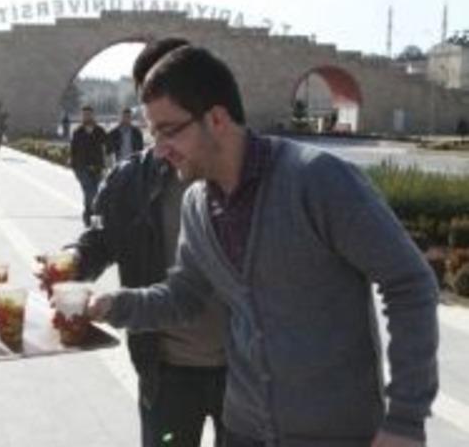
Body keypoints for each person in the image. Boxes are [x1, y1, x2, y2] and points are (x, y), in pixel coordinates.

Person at [88, 45, 438, 447]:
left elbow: (410, 283)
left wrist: (406, 421)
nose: (159, 148)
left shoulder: (317, 181)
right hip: (243, 430)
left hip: (336, 433)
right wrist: (115, 305)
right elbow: (185, 296)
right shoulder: (197, 204)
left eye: (168, 130)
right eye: (154, 133)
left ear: (216, 119)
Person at [39, 38, 226, 447]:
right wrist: (73, 259)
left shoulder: (239, 173)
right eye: (153, 119)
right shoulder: (129, 180)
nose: (160, 135)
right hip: (165, 370)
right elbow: (101, 240)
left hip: (245, 370)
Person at [70, 105, 108, 227]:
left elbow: (108, 146)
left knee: (95, 193)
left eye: (89, 114)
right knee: (89, 191)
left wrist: (106, 165)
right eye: (84, 114)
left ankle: (90, 218)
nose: (87, 116)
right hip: (82, 168)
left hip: (97, 167)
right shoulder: (77, 132)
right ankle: (91, 218)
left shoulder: (99, 131)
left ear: (93, 115)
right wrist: (74, 166)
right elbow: (73, 150)